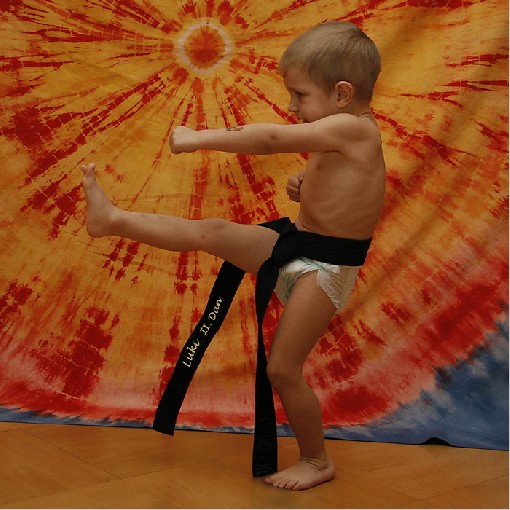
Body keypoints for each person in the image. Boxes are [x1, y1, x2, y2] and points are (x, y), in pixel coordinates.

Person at [81, 20, 385, 491]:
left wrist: (199, 138)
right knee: (213, 231)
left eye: (299, 95)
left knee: (283, 367)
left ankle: (317, 459)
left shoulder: (353, 129)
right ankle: (113, 220)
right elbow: (339, 188)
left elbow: (269, 140)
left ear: (342, 94)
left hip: (326, 267)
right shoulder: (340, 132)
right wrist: (304, 186)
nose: (291, 106)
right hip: (298, 241)